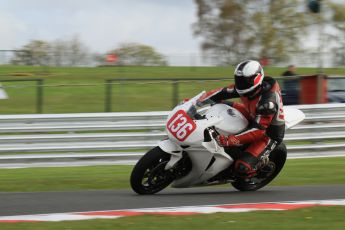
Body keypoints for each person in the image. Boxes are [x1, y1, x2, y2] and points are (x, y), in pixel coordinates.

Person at [204, 60, 285, 178]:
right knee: (218, 103)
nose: (240, 84)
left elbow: (258, 131)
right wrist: (198, 100)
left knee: (241, 167)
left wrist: (231, 140)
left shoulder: (267, 103)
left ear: (256, 79)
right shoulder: (248, 87)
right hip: (251, 113)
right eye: (238, 79)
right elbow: (221, 92)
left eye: (244, 80)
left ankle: (258, 168)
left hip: (268, 133)